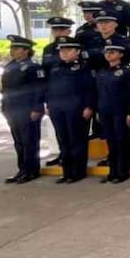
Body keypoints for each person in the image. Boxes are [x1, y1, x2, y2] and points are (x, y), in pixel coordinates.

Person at [45, 36, 97, 184]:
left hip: (77, 108)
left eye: (68, 50)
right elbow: (49, 88)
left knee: (77, 140)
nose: (64, 53)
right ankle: (66, 172)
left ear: (77, 51)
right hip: (57, 108)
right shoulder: (55, 67)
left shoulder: (84, 67)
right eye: (62, 50)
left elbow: (90, 89)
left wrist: (89, 106)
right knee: (63, 140)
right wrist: (48, 104)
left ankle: (78, 172)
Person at [1, 35, 45, 184]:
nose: (12, 51)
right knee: (18, 142)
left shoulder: (33, 67)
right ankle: (22, 169)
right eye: (12, 48)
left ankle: (32, 170)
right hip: (12, 109)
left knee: (29, 141)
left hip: (27, 109)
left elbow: (39, 89)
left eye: (16, 48)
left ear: (26, 51)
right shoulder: (10, 65)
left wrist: (36, 108)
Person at [94, 42, 130, 183]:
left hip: (121, 111)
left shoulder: (126, 71)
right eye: (107, 52)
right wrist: (98, 110)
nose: (109, 55)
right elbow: (98, 93)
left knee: (122, 140)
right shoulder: (102, 72)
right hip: (105, 110)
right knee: (111, 141)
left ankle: (123, 171)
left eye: (113, 52)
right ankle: (113, 171)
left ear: (121, 54)